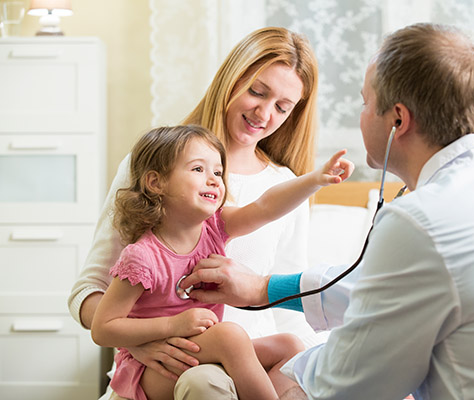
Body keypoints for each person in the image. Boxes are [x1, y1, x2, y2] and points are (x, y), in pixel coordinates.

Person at [182, 23, 474, 400]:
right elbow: (380, 290)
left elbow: (347, 382)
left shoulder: (422, 222)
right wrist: (263, 288)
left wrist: (285, 370)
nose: (361, 116)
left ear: (398, 120)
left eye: (365, 103)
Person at [68, 27, 323, 399]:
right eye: (256, 91)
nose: (264, 113)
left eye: (282, 107)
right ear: (231, 80)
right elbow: (88, 291)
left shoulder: (283, 188)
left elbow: (290, 310)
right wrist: (147, 338)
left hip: (250, 363)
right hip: (169, 364)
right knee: (204, 381)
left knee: (293, 355)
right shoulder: (151, 167)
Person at [90, 124, 353, 400]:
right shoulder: (141, 256)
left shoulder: (214, 228)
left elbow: (265, 207)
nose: (214, 179)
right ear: (156, 183)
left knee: (288, 344)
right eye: (198, 169)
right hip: (153, 369)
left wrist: (314, 180)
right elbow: (103, 328)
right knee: (229, 336)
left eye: (217, 172)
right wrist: (173, 325)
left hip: (201, 350)